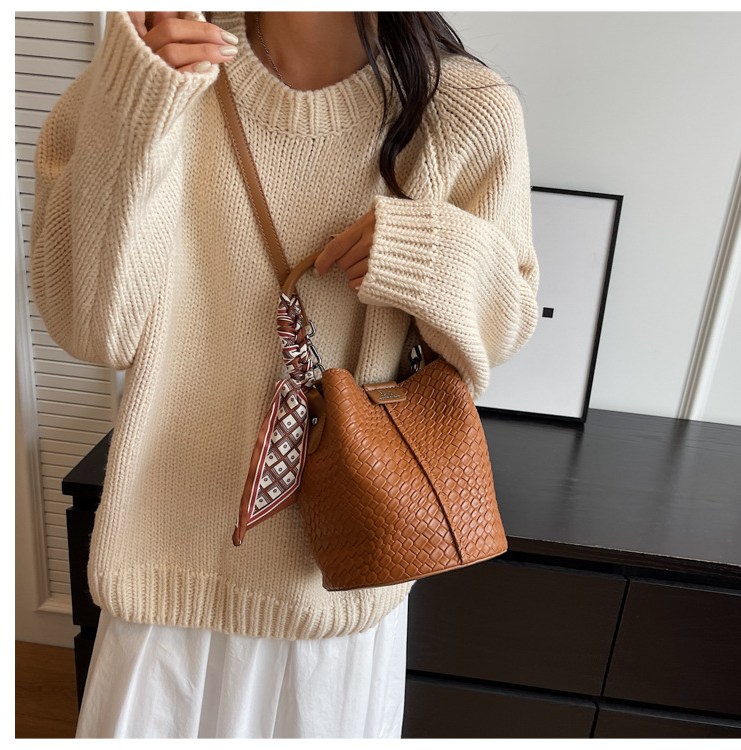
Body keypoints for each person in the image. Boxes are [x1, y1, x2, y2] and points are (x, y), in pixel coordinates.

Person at [30, 10, 540, 739]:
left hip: (334, 596)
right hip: (161, 584)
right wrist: (137, 107)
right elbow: (93, 329)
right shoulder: (151, 76)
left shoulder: (463, 109)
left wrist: (428, 249)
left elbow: (503, 328)